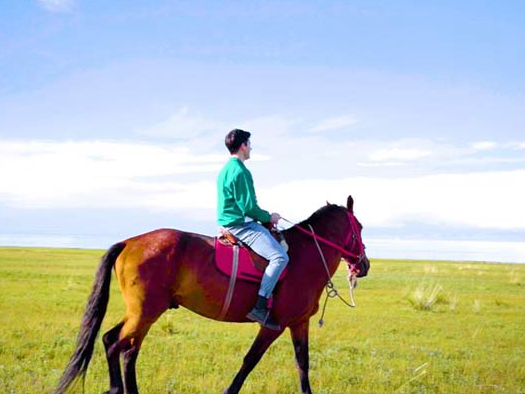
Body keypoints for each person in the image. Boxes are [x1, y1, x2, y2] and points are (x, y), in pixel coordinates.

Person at [217, 129, 289, 330]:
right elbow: (248, 207)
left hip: (229, 223)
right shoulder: (241, 171)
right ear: (242, 146)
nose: (251, 148)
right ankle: (260, 305)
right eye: (249, 144)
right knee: (280, 257)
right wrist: (269, 217)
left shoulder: (225, 170)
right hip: (241, 226)